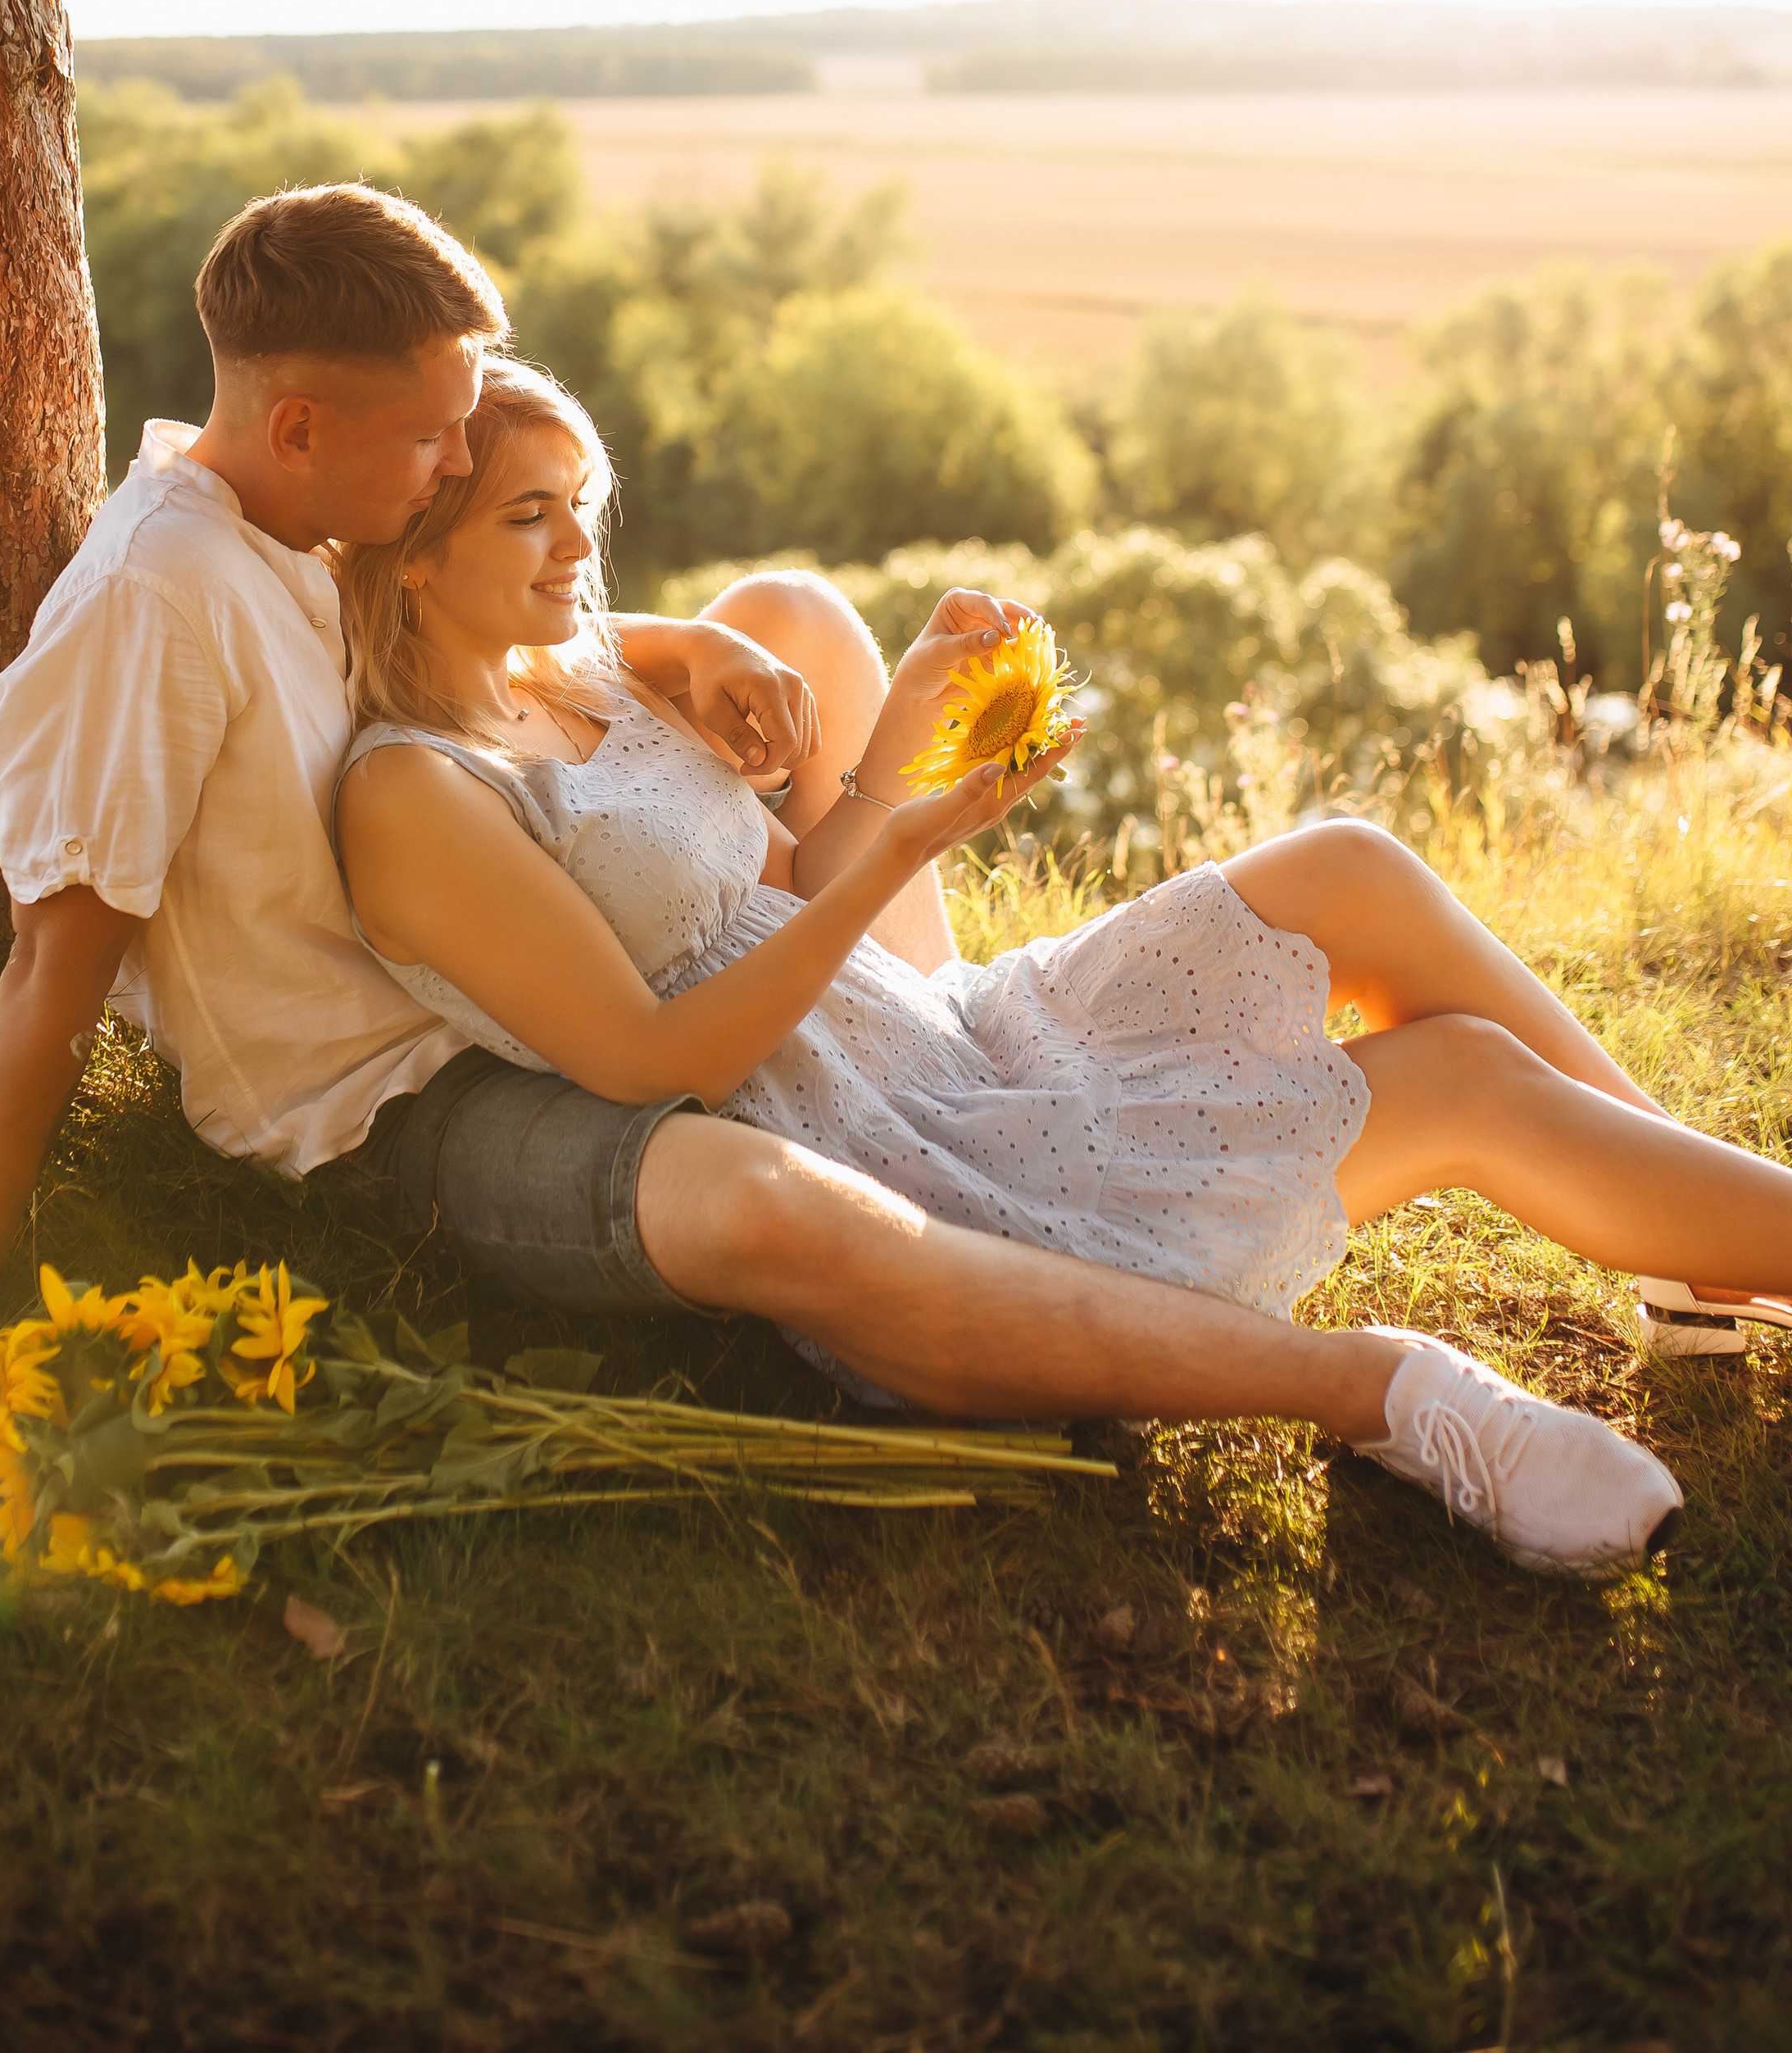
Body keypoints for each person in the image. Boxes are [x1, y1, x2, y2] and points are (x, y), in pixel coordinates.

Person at [329, 355, 1792, 1575]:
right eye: (533, 517)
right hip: (897, 1147)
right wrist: (910, 856)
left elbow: (799, 884)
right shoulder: (415, 796)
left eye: (581, 507)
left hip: (941, 1033)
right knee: (1465, 1079)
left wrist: (901, 722)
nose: (582, 551)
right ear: (418, 546)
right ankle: (1726, 1245)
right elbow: (668, 1063)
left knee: (1346, 861)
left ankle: (1691, 1258)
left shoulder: (573, 673)